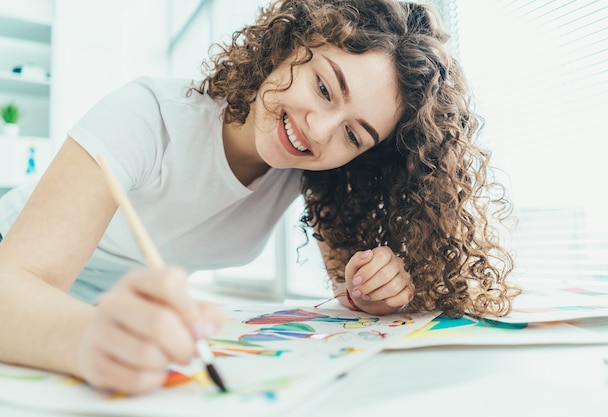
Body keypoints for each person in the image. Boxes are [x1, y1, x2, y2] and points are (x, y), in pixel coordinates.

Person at [0, 0, 518, 396]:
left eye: (355, 136)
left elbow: (347, 286)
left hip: (97, 308)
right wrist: (87, 337)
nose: (320, 129)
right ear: (294, 41)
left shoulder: (307, 169)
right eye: (323, 87)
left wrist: (371, 286)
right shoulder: (146, 117)